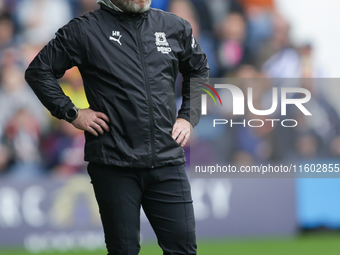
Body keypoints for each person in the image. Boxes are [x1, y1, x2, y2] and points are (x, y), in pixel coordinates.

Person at [25, 0, 209, 254]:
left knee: (183, 250)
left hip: (167, 162)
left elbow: (198, 69)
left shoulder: (174, 25)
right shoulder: (84, 30)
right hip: (114, 163)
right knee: (123, 250)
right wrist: (73, 113)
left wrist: (188, 116)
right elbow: (39, 71)